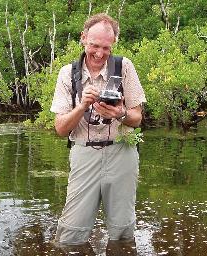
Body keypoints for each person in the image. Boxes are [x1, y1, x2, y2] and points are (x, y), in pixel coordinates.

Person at [50, 13, 146, 250]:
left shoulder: (124, 66)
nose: (100, 53)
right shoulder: (67, 74)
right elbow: (60, 129)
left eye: (106, 47)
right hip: (83, 154)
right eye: (94, 45)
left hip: (122, 153)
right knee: (70, 235)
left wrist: (120, 113)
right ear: (83, 38)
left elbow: (137, 118)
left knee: (123, 231)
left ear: (113, 44)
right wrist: (82, 106)